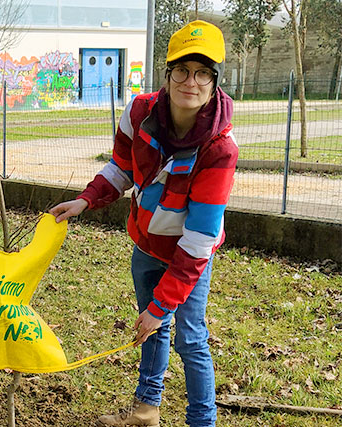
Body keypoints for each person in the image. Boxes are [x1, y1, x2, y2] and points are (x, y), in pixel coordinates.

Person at [50, 21, 237, 427]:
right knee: (149, 328)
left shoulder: (218, 149)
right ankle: (145, 411)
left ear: (214, 81)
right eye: (182, 70)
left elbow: (201, 235)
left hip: (189, 257)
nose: (192, 80)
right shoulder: (139, 112)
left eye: (203, 72)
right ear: (167, 75)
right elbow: (121, 166)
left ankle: (201, 421)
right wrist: (87, 199)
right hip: (145, 245)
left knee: (190, 338)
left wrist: (162, 305)